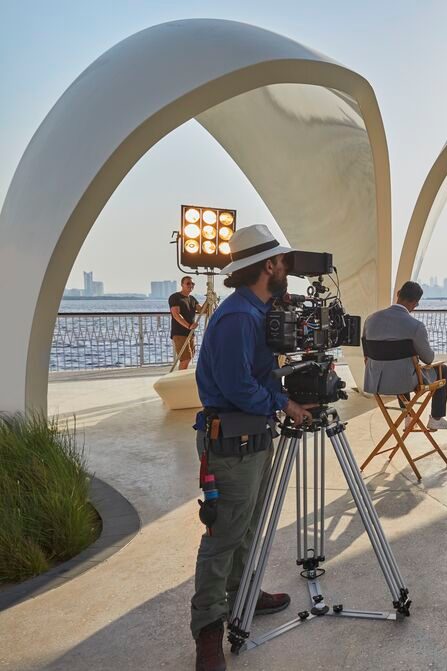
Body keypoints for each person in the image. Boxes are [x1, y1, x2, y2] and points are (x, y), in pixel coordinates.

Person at [191, 224, 315, 671]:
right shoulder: (238, 317)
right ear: (268, 266)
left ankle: (243, 594)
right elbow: (237, 386)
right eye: (282, 262)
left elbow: (258, 375)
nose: (286, 269)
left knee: (248, 527)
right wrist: (284, 403)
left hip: (255, 436)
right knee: (224, 536)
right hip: (232, 442)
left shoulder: (258, 311)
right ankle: (208, 629)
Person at [363, 281, 447, 430]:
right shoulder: (415, 326)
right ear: (416, 303)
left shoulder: (370, 320)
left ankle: (408, 416)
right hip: (401, 381)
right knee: (442, 369)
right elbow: (428, 359)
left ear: (398, 294)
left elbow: (366, 354)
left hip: (375, 382)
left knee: (400, 365)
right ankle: (436, 418)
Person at [169, 275, 203, 370]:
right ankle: (179, 377)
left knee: (190, 357)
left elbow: (202, 310)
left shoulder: (192, 299)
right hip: (179, 333)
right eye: (188, 283)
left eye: (192, 284)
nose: (190, 285)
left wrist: (210, 300)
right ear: (182, 285)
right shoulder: (175, 297)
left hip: (190, 333)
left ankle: (181, 375)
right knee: (185, 359)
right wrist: (189, 326)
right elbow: (176, 315)